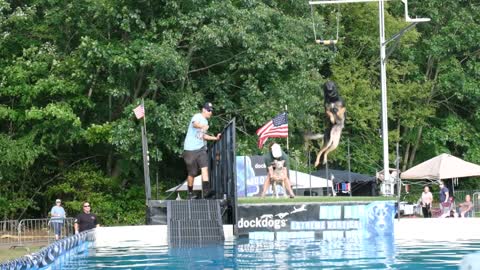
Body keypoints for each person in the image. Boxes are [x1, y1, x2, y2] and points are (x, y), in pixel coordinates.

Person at [183, 102, 221, 199]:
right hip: (190, 149)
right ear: (203, 109)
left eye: (211, 111)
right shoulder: (197, 116)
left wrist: (215, 138)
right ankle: (190, 193)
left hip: (200, 149)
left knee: (205, 168)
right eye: (209, 110)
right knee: (192, 173)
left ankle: (206, 191)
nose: (210, 112)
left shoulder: (206, 122)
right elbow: (194, 124)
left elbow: (202, 136)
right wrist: (202, 126)